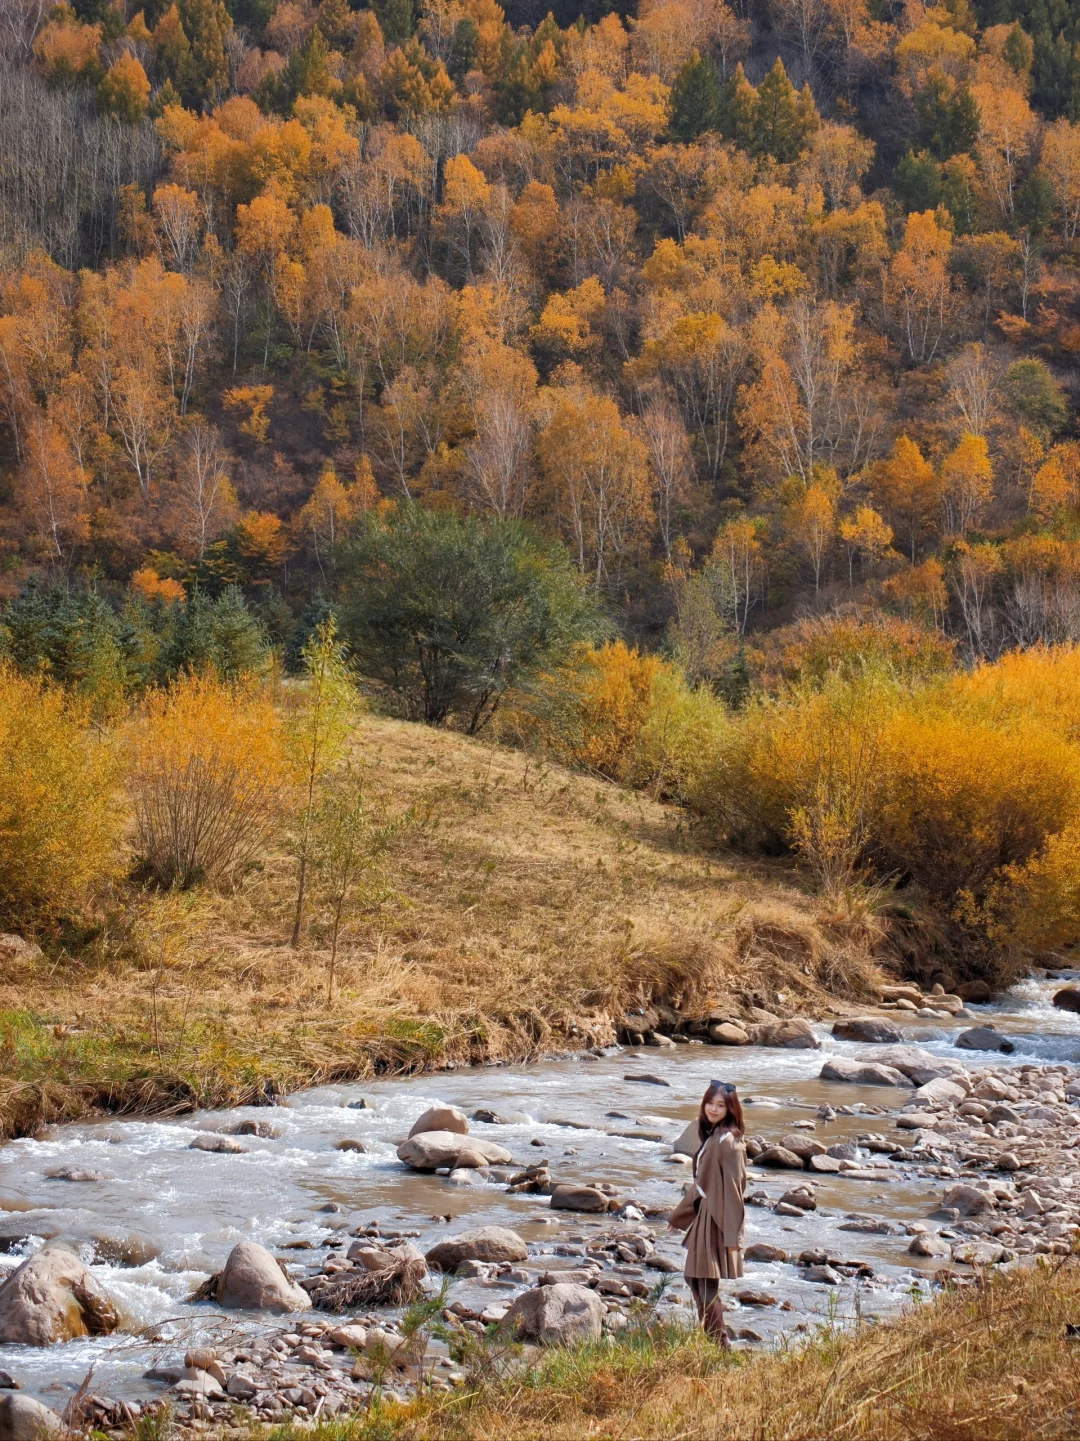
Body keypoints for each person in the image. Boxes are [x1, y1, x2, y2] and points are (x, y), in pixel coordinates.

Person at [667, 1080, 746, 1346]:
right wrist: (681, 1217)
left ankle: (719, 1346)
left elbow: (736, 1188)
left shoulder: (729, 1141)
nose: (713, 1108)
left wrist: (733, 1234)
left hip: (717, 1219)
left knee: (705, 1282)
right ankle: (714, 1341)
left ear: (730, 1109)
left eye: (720, 1105)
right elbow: (702, 1184)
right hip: (706, 1216)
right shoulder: (713, 1135)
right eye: (710, 1103)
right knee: (695, 1278)